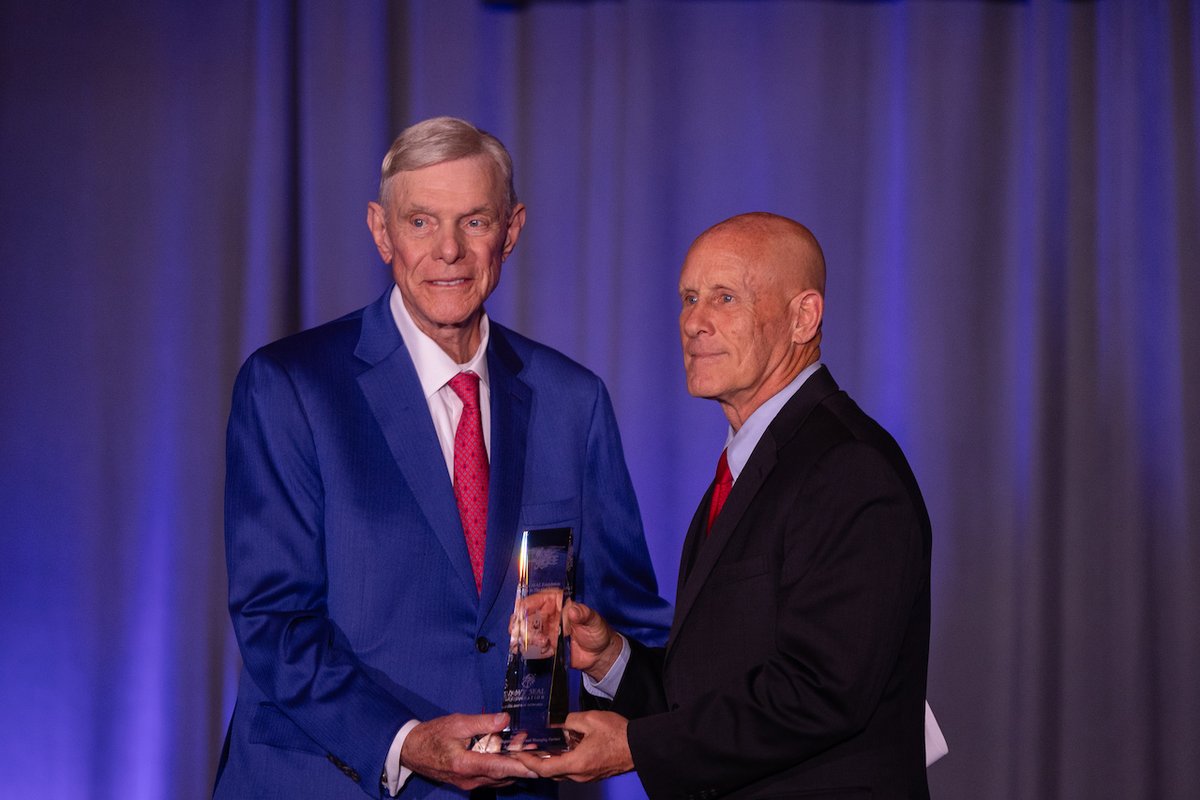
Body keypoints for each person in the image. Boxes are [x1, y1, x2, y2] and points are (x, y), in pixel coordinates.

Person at [212, 116, 672, 799]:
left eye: (475, 222)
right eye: (422, 222)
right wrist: (405, 742)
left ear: (511, 231)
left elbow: (626, 621)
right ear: (381, 230)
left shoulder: (572, 402)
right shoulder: (293, 387)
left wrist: (605, 660)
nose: (449, 251)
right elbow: (274, 622)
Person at [517, 212, 933, 799]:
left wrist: (634, 747)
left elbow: (820, 692)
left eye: (725, 297)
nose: (693, 322)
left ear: (803, 317)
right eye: (689, 297)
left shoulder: (848, 466)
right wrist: (612, 659)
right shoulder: (752, 464)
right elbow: (713, 691)